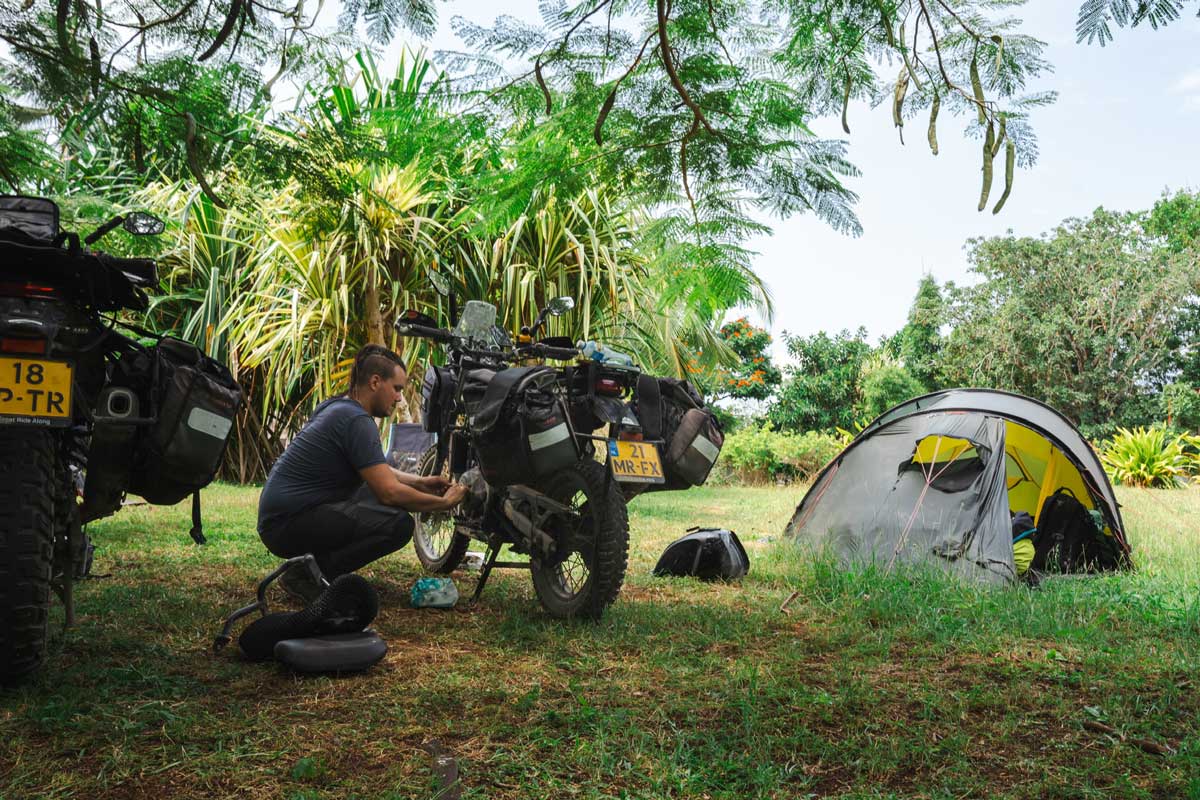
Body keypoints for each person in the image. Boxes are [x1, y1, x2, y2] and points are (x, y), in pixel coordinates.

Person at [257, 344, 467, 602]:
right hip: (286, 524)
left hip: (280, 517)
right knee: (398, 525)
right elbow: (389, 492)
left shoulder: (339, 405)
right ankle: (306, 575)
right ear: (375, 382)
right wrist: (443, 504)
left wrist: (421, 482)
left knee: (380, 500)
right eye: (397, 388)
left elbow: (375, 468)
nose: (399, 398)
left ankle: (311, 565)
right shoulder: (357, 421)